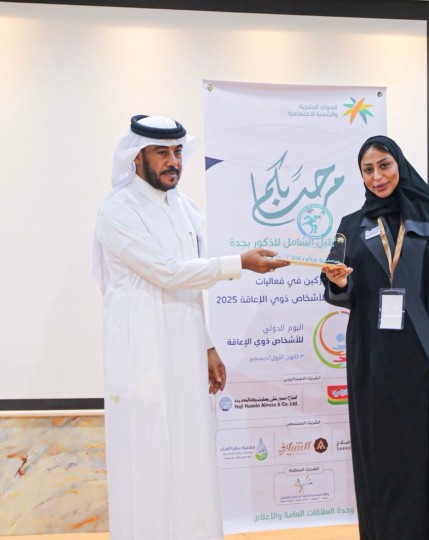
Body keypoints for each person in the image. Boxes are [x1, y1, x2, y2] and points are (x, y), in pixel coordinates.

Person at [91, 115, 289, 539]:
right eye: (161, 152)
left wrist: (207, 345)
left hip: (184, 351)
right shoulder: (118, 211)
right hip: (142, 355)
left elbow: (190, 285)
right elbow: (168, 272)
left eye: (178, 152)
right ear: (137, 156)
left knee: (190, 458)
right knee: (148, 460)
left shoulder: (185, 208)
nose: (173, 161)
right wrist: (240, 263)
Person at [321, 135, 429, 540]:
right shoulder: (350, 227)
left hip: (428, 361)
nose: (377, 177)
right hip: (373, 362)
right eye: (368, 170)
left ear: (400, 165)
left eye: (384, 165)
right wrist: (338, 282)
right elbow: (337, 289)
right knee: (382, 457)